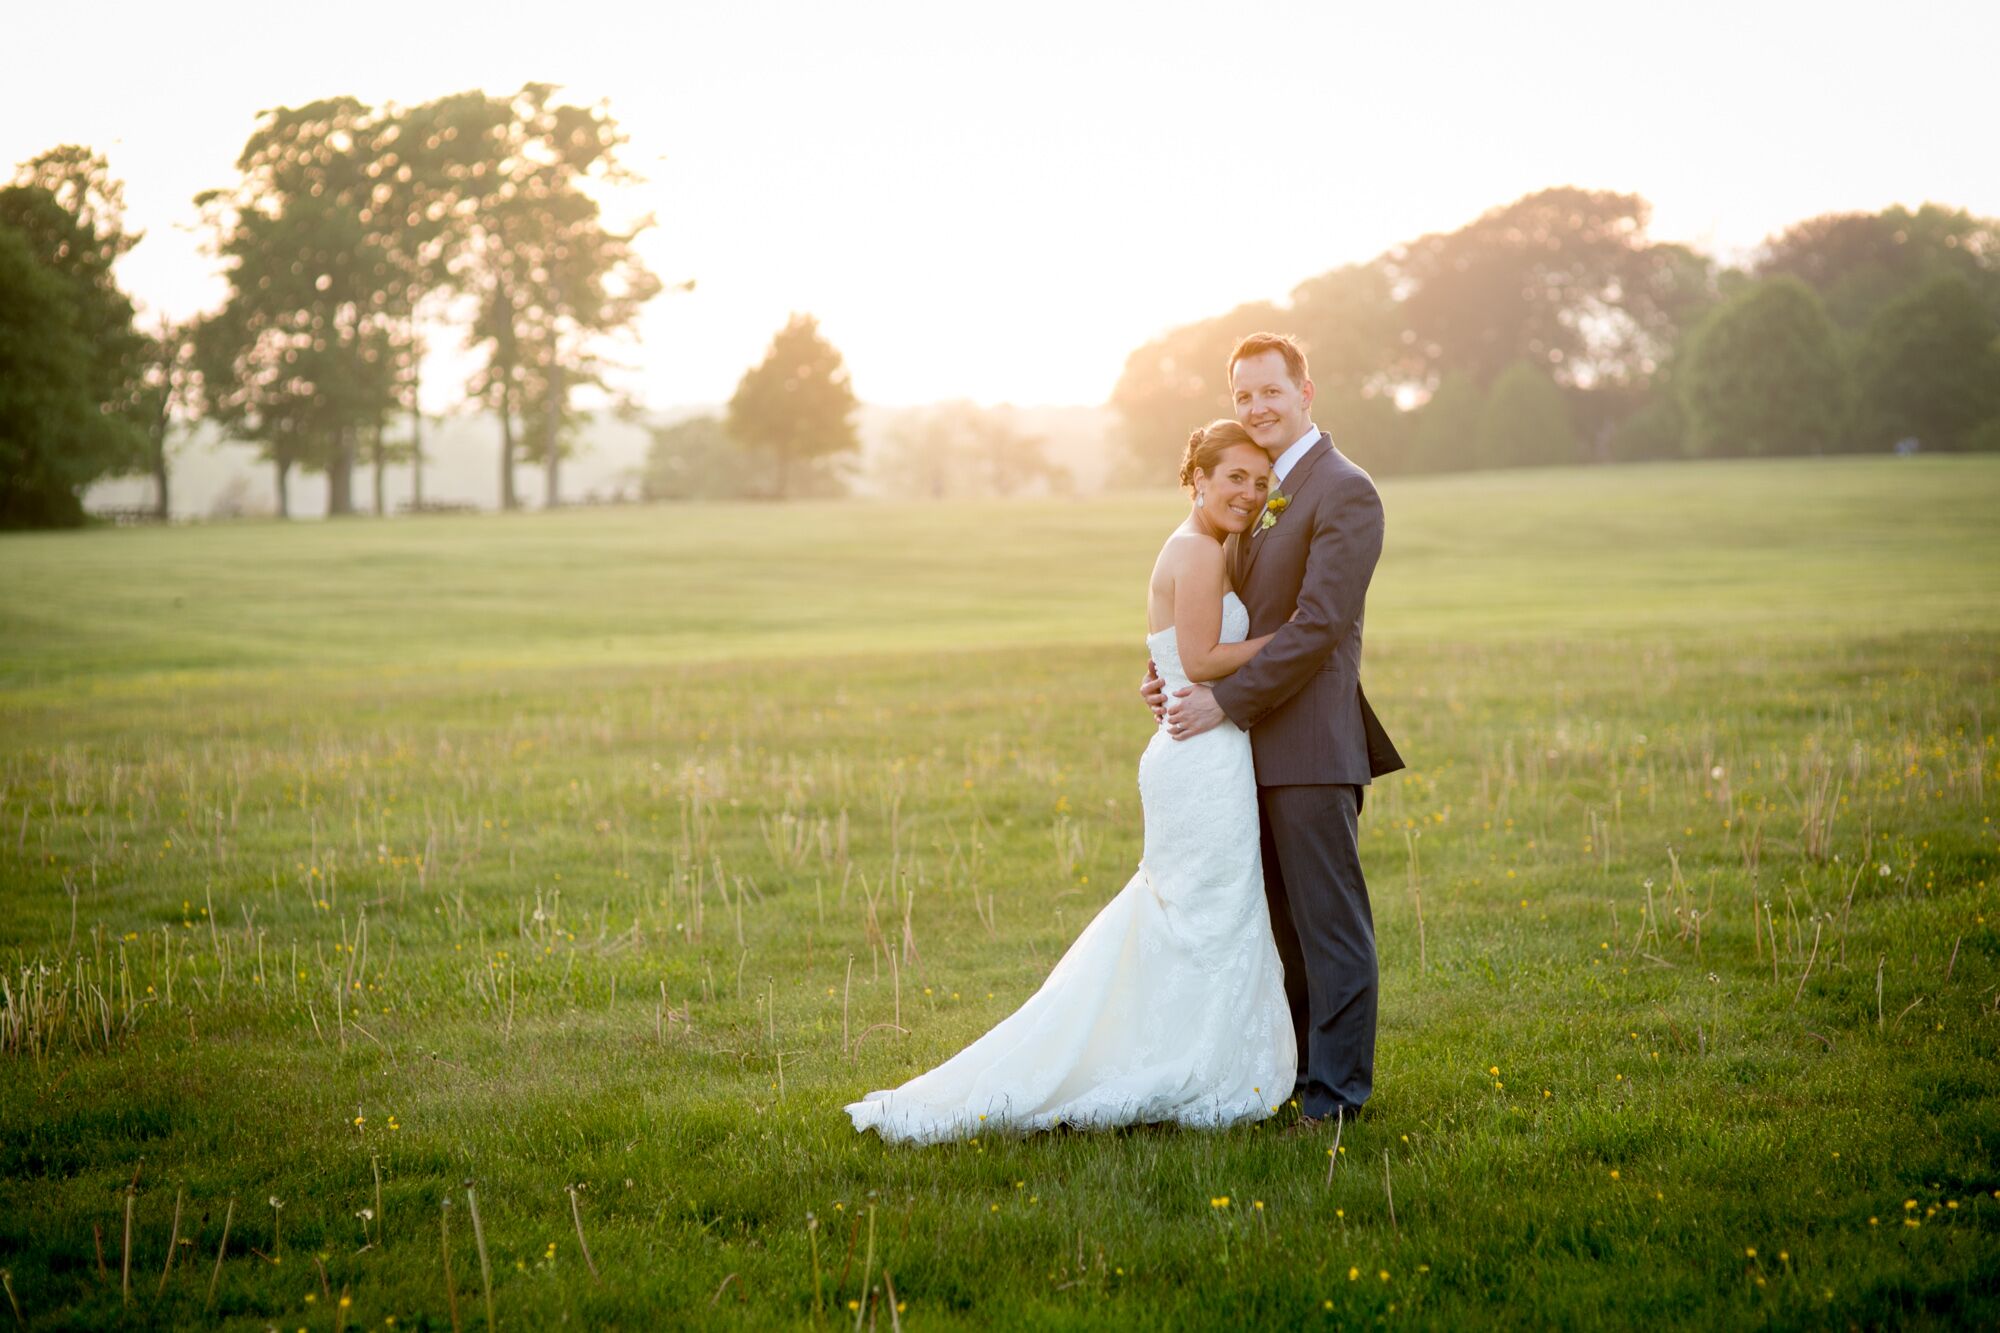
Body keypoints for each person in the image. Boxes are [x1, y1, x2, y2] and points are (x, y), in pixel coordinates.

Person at [845, 421, 1295, 1144]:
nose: (1248, 491)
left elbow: (1171, 656)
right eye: (1234, 477)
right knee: (1208, 915)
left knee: (1193, 914)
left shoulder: (1189, 546)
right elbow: (1203, 659)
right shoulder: (1203, 552)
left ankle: (1176, 1048)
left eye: (1259, 479)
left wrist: (1172, 673)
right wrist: (1296, 636)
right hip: (1203, 754)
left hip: (1188, 750)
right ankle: (1195, 1061)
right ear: (1199, 478)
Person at [1146, 332, 1403, 1131]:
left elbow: (1321, 624)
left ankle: (1335, 1097)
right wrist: (1175, 675)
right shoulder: (1257, 495)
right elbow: (1225, 618)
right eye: (1243, 396)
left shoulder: (1344, 490)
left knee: (1330, 929)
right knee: (1278, 929)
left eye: (1270, 392)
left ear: (1305, 392)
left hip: (1312, 746)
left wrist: (1226, 700)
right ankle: (1291, 1076)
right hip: (1247, 753)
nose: (1257, 408)